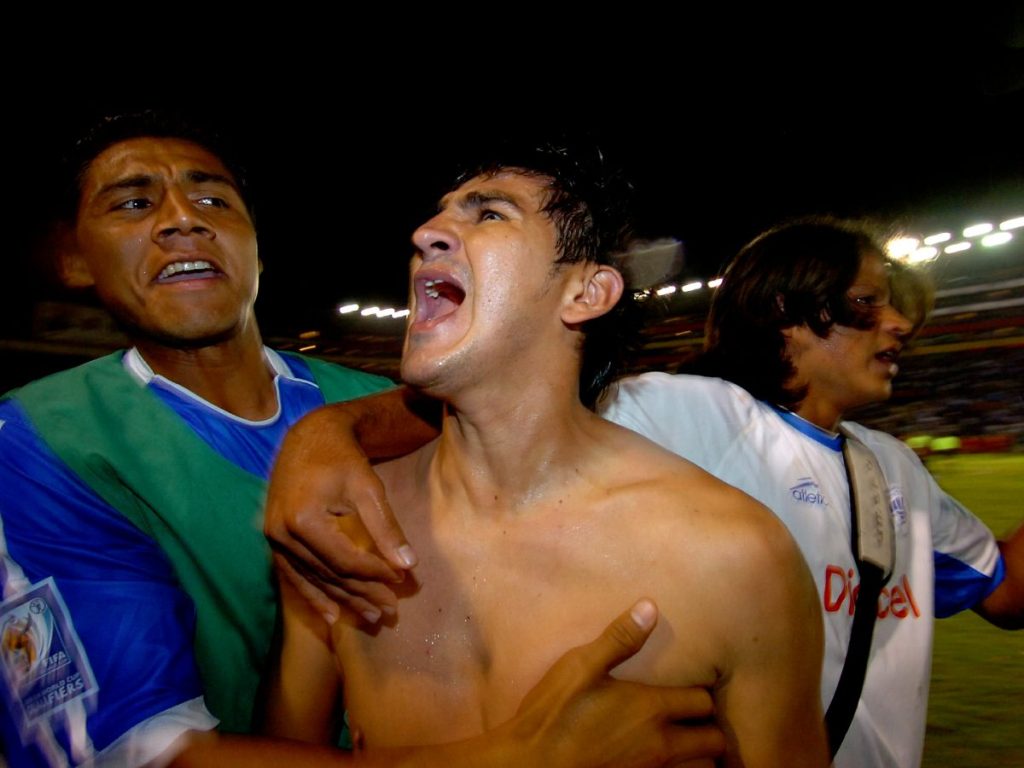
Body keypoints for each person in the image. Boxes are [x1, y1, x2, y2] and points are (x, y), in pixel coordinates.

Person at [0, 113, 725, 768]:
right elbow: (146, 758)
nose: (183, 219)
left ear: (258, 251)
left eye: (214, 198)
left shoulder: (355, 401)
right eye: (133, 203)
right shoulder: (38, 439)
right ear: (72, 261)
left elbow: (524, 407)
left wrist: (326, 429)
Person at [264, 216, 1022, 768]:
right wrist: (327, 435)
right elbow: (503, 407)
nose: (898, 324)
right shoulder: (678, 410)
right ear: (787, 315)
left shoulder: (898, 473)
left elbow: (1005, 594)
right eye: (866, 303)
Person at [266, 142, 828, 767]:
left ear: (586, 292)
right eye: (438, 216)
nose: (426, 234)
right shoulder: (339, 532)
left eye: (490, 215)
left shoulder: (736, 557)